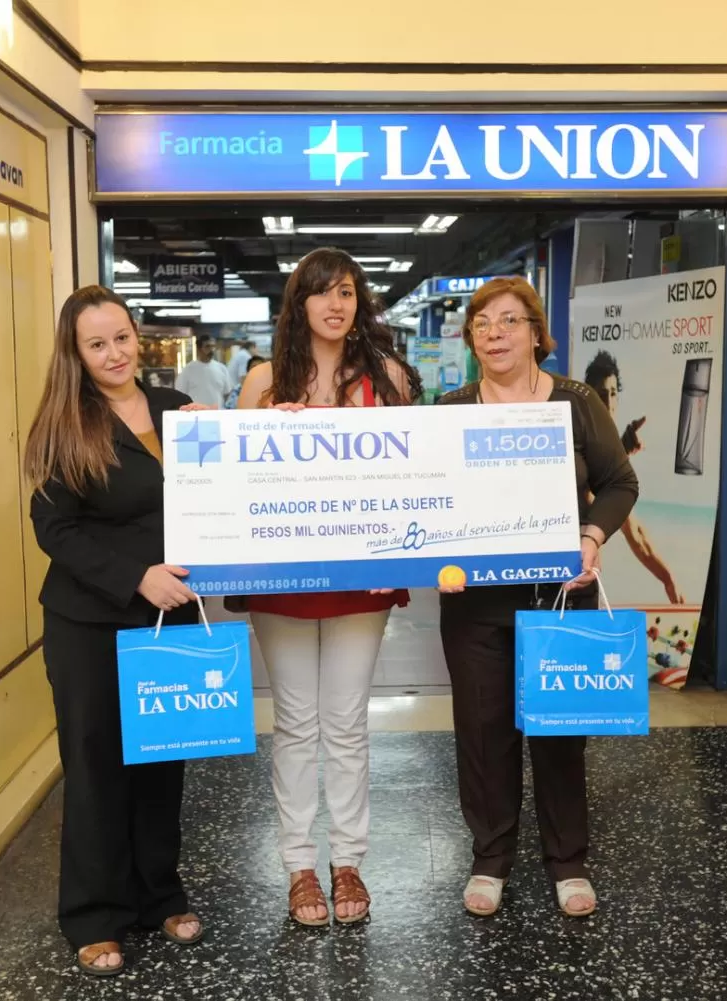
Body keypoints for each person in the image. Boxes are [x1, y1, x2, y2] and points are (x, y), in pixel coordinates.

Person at [437, 277, 638, 920]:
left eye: (508, 320)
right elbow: (425, 494)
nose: (494, 333)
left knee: (559, 735)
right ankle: (490, 858)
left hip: (559, 598)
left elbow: (619, 482)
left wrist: (591, 535)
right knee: (483, 734)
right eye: (481, 323)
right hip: (473, 605)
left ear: (535, 333)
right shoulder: (449, 409)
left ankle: (568, 862)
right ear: (471, 338)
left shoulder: (576, 402)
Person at [238, 248, 422, 927]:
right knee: (296, 721)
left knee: (345, 720)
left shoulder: (388, 376)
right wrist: (262, 434)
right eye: (321, 292)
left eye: (346, 291)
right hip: (282, 576)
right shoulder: (263, 381)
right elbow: (235, 480)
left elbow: (414, 474)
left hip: (362, 575)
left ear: (359, 301)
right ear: (300, 304)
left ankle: (348, 861)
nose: (335, 304)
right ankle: (298, 866)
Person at [24, 285, 204, 977]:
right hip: (91, 621)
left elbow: (223, 488)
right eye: (96, 344)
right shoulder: (65, 423)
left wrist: (253, 433)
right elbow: (54, 529)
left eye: (122, 337)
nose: (114, 353)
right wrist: (135, 576)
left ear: (137, 336)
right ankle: (94, 915)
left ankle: (160, 895)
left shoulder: (176, 410)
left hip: (168, 615)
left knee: (162, 759)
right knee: (96, 765)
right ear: (76, 353)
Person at [584, 350, 685, 604]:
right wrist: (622, 453)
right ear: (589, 397)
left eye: (613, 393)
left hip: (588, 584)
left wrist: (668, 579)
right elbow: (587, 501)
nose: (608, 402)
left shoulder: (608, 455)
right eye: (601, 394)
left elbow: (635, 533)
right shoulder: (577, 441)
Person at [176, 334, 232, 407]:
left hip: (217, 412)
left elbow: (227, 393)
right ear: (199, 349)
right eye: (207, 346)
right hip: (196, 412)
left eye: (213, 346)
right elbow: (180, 395)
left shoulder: (222, 368)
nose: (211, 350)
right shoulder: (188, 370)